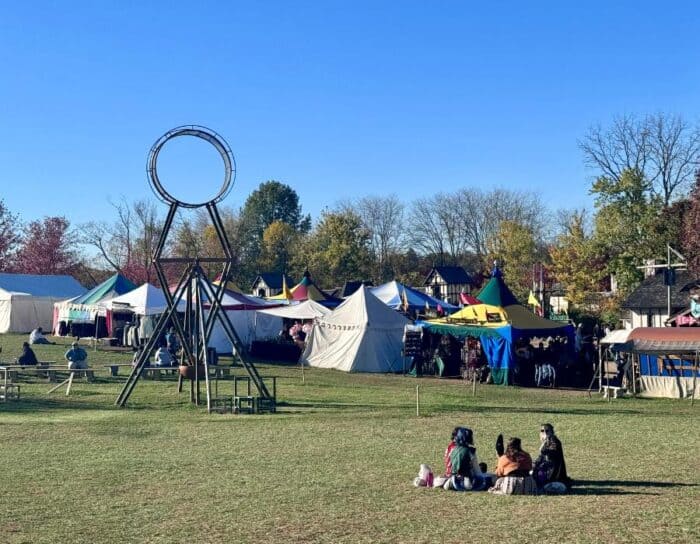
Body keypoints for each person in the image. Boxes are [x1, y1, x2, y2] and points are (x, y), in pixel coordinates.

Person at [533, 423, 572, 492]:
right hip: (547, 469)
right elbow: (541, 457)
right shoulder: (548, 441)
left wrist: (544, 443)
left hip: (553, 472)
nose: (544, 432)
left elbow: (545, 452)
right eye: (542, 431)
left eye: (547, 430)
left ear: (552, 432)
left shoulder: (554, 441)